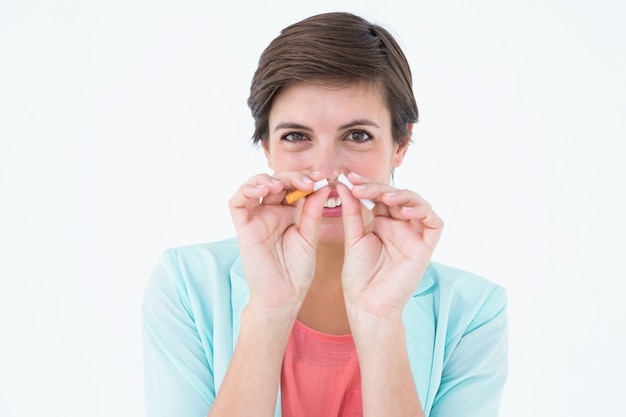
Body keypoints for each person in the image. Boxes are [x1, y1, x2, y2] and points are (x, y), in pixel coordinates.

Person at [142, 11, 508, 417]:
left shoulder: (473, 311)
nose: (328, 169)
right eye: (296, 137)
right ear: (266, 147)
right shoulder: (186, 286)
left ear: (401, 145)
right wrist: (269, 310)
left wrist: (380, 321)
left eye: (358, 136)